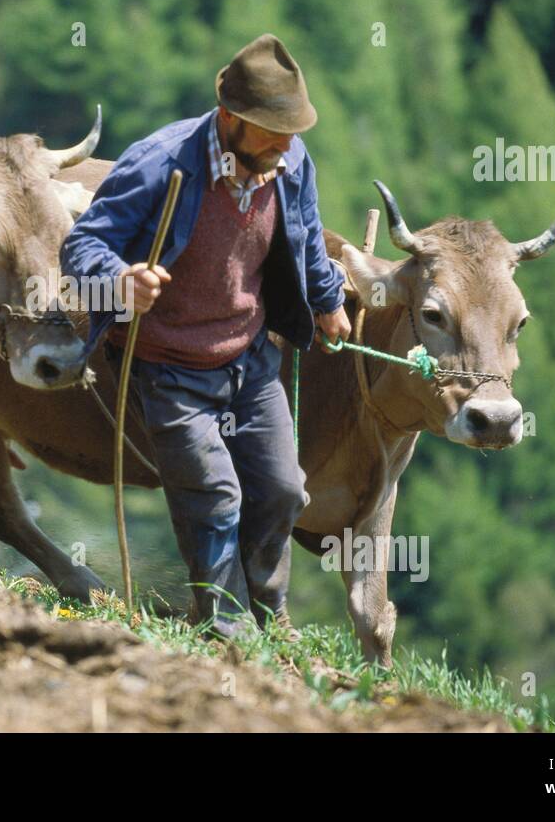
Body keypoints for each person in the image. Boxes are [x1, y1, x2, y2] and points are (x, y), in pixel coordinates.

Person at [61, 33, 352, 637]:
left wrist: (326, 304)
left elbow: (304, 236)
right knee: (215, 495)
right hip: (168, 367)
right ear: (229, 118)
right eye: (271, 130)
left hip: (249, 361)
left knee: (281, 491)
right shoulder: (160, 162)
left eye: (292, 130)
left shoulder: (291, 163)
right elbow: (81, 246)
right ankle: (222, 625)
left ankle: (270, 617)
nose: (283, 144)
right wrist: (120, 280)